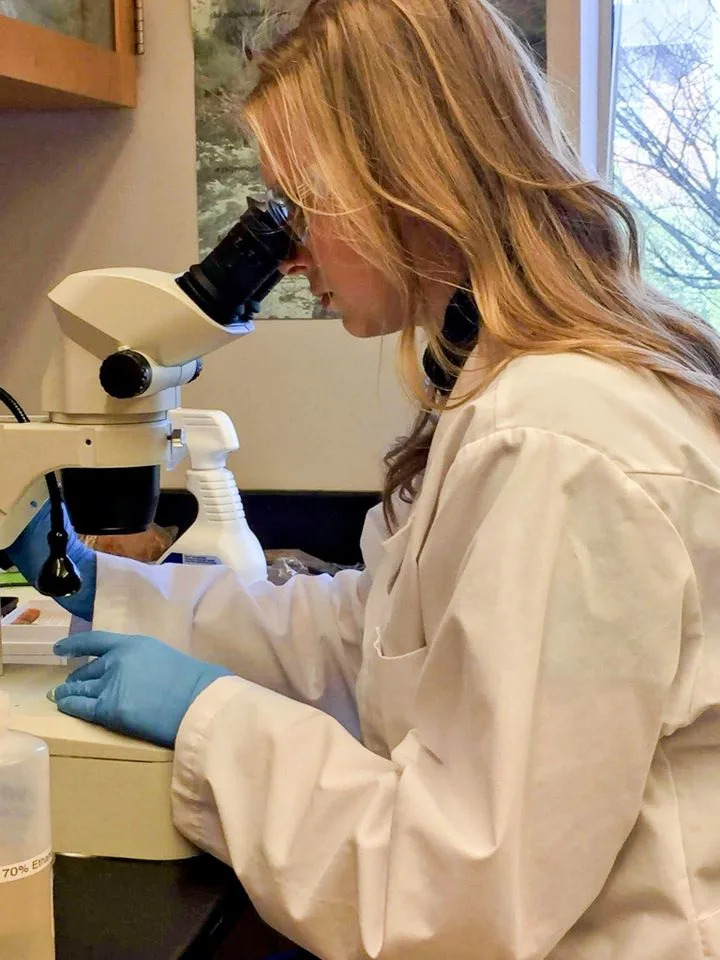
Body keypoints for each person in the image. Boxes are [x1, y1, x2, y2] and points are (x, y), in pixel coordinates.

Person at [8, 0, 720, 957]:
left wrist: (208, 717)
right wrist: (116, 594)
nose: (289, 255)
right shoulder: (512, 394)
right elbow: (379, 641)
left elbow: (459, 894)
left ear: (406, 178)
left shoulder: (561, 443)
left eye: (298, 208)